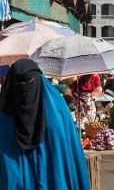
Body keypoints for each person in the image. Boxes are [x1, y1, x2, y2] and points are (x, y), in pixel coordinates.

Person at [0, 59, 90, 190]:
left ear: (38, 79)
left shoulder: (57, 107)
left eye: (28, 82)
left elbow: (69, 149)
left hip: (53, 174)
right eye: (18, 83)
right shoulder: (4, 113)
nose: (23, 88)